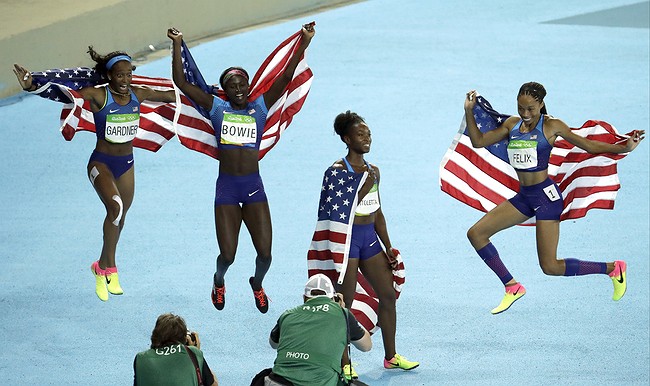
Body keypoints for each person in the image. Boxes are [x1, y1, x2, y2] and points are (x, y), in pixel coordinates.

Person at [167, 24, 315, 313]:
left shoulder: (259, 108)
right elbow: (182, 83)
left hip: (253, 187)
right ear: (226, 90)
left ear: (248, 86)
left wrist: (305, 41)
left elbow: (286, 76)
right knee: (228, 254)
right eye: (232, 87)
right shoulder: (217, 108)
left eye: (242, 85)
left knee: (266, 255)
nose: (238, 90)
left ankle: (257, 284)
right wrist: (177, 44)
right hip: (227, 189)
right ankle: (218, 280)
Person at [463, 82, 645, 314]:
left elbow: (588, 145)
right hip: (525, 197)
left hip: (546, 199)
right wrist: (469, 110)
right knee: (476, 234)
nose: (526, 114)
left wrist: (625, 148)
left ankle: (612, 268)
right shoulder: (512, 124)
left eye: (531, 109)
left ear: (540, 104)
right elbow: (478, 141)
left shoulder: (551, 126)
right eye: (521, 108)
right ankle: (512, 286)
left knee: (550, 266)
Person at [13, 51, 175, 302]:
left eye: (129, 74)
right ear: (109, 75)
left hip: (127, 164)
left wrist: (210, 95)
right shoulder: (98, 95)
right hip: (102, 163)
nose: (125, 79)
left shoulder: (138, 94)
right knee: (116, 207)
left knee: (119, 219)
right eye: (120, 75)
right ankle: (108, 269)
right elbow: (63, 94)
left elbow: (173, 95)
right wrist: (32, 85)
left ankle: (101, 265)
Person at [331, 111, 419, 375]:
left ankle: (390, 356)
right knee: (343, 305)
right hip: (348, 244)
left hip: (369, 240)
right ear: (347, 139)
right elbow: (337, 213)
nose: (366, 138)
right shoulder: (337, 172)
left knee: (388, 295)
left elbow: (377, 211)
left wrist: (388, 246)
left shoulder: (374, 171)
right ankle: (344, 363)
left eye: (368, 133)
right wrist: (362, 184)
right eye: (360, 134)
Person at [262, 274, 371, 386]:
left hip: (278, 382)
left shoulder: (287, 315)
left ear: (304, 298)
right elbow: (366, 346)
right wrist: (342, 310)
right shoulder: (342, 313)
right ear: (333, 298)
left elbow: (273, 344)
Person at [133, 313, 219, 386]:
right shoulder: (193, 353)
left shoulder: (140, 358)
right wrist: (196, 353)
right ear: (183, 338)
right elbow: (213, 384)